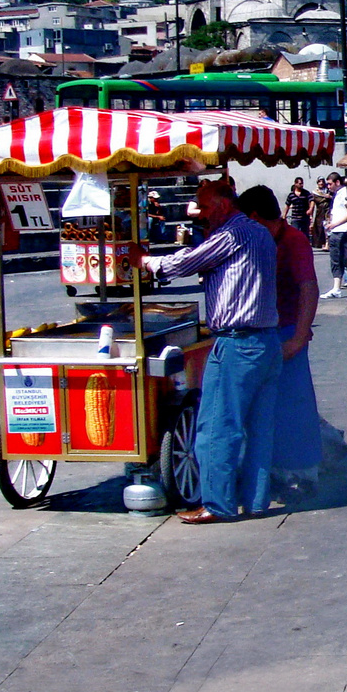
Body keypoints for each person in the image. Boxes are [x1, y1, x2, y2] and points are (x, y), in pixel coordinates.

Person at [130, 178, 280, 523]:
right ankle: (256, 500)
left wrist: (145, 261)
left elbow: (181, 265)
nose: (201, 215)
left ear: (224, 206)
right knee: (258, 428)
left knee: (217, 426)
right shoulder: (259, 233)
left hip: (238, 342)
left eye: (205, 207)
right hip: (265, 341)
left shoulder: (232, 234)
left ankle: (217, 504)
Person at [237, 186, 323, 499]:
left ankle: (302, 470)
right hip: (260, 330)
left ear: (256, 217)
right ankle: (268, 470)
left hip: (287, 331)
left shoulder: (293, 240)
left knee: (295, 402)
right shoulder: (254, 240)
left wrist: (299, 336)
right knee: (264, 407)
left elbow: (309, 288)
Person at [320, 174, 347, 298]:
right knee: (335, 260)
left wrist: (334, 224)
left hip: (342, 231)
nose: (328, 186)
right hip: (335, 231)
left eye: (330, 184)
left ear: (337, 182)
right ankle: (336, 288)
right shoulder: (338, 195)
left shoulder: (346, 194)